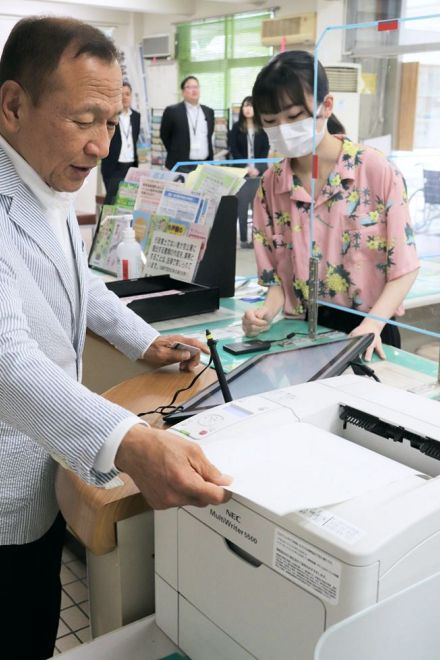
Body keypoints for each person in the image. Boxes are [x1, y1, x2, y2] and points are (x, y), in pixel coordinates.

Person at [0, 17, 229, 660]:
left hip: (39, 472)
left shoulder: (46, 180)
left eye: (112, 122)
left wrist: (142, 340)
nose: (102, 144)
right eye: (85, 120)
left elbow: (82, 282)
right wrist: (129, 443)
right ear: (14, 105)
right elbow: (5, 358)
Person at [242, 50, 419, 361]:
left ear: (326, 106)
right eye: (271, 121)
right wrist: (263, 314)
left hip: (369, 332)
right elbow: (277, 282)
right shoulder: (272, 185)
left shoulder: (374, 170)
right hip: (299, 334)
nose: (283, 128)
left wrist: (372, 325)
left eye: (294, 116)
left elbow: (404, 267)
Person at [228, 96, 270, 248]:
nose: (247, 108)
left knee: (257, 207)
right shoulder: (236, 128)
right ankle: (244, 239)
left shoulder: (262, 128)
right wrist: (247, 167)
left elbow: (265, 148)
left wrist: (257, 167)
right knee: (242, 207)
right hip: (242, 173)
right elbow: (234, 150)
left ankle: (256, 240)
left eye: (251, 106)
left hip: (259, 172)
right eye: (245, 105)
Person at [160, 75, 215, 172]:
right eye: (189, 87)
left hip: (204, 164)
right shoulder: (172, 111)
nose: (194, 90)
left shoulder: (208, 112)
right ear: (183, 92)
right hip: (180, 164)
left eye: (196, 87)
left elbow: (209, 135)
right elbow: (165, 135)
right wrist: (176, 152)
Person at [101, 81, 140, 203]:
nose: (125, 97)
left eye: (127, 94)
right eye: (121, 94)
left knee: (128, 203)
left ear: (131, 96)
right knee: (112, 203)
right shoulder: (109, 116)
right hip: (113, 166)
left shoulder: (136, 116)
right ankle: (104, 223)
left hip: (131, 165)